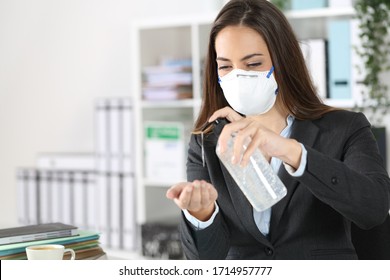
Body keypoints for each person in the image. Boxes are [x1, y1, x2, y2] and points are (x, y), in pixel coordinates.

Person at [166, 0, 390, 260]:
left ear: (283, 61)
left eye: (253, 64)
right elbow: (205, 260)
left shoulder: (345, 128)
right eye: (225, 66)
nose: (238, 77)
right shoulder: (206, 142)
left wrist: (292, 152)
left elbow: (374, 209)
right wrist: (201, 215)